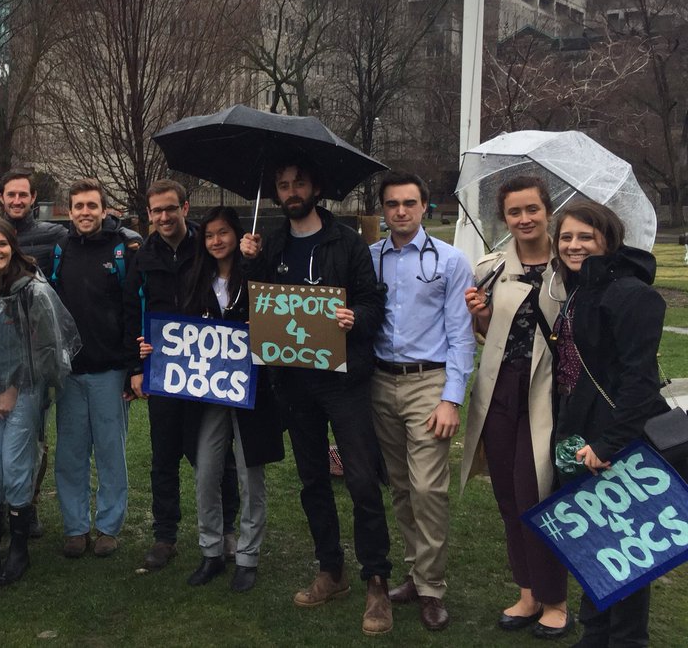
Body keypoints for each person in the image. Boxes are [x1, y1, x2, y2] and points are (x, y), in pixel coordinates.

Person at [239, 159, 392, 636]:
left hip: (342, 380)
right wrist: (251, 261)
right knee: (311, 481)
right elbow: (257, 304)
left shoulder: (346, 241)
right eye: (282, 186)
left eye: (298, 183)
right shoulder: (273, 242)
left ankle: (377, 580)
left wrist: (353, 318)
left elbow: (372, 303)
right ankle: (332, 569)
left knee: (363, 480)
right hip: (294, 381)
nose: (290, 192)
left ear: (315, 187)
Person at [550, 201, 668, 646]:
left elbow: (641, 383)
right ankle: (595, 632)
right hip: (580, 433)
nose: (574, 245)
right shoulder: (581, 289)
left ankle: (625, 639)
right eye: (566, 237)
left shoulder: (631, 294)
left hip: (616, 439)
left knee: (628, 550)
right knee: (596, 543)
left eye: (585, 236)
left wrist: (609, 443)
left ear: (608, 239)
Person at [462, 176, 569, 636]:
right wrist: (480, 315)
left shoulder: (571, 267)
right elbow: (485, 336)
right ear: (504, 218)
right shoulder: (489, 268)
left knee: (538, 494)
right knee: (508, 497)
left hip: (548, 396)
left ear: (547, 211)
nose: (524, 219)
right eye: (514, 212)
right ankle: (527, 594)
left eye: (532, 210)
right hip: (500, 390)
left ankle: (556, 601)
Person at [369, 172, 475, 631]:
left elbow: (461, 335)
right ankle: (415, 571)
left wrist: (452, 398)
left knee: (428, 487)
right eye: (392, 204)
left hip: (428, 384)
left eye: (410, 203)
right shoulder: (369, 259)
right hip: (378, 381)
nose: (401, 211)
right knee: (400, 487)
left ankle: (431, 586)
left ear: (425, 206)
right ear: (383, 209)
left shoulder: (449, 262)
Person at [0, 218, 79, 586]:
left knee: (16, 462)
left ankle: (19, 548)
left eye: (1, 244)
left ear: (13, 247)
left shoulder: (33, 291)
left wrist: (13, 388)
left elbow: (48, 348)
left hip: (25, 388)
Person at [125, 180, 240, 572]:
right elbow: (132, 312)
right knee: (163, 455)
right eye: (155, 211)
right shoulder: (142, 256)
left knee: (212, 455)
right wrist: (136, 366)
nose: (162, 217)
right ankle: (165, 535)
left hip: (207, 370)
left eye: (169, 209)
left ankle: (225, 530)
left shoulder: (205, 247)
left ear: (185, 208)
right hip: (161, 372)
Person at [178, 206, 283, 592]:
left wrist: (255, 263)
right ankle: (211, 550)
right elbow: (182, 326)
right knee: (206, 469)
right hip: (208, 391)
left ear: (237, 235)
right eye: (209, 235)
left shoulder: (254, 270)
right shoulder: (196, 277)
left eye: (223, 233)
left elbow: (275, 309)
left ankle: (248, 556)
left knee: (249, 473)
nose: (216, 241)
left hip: (251, 387)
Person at [51, 178, 140, 559]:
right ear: (69, 212)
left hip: (109, 371)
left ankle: (108, 527)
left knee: (109, 453)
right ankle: (75, 527)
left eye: (91, 206)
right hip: (69, 373)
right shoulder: (61, 248)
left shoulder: (122, 250)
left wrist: (133, 366)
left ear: (104, 210)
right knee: (70, 455)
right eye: (78, 207)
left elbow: (134, 308)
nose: (84, 212)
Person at [0, 170, 66, 537]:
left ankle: (29, 503)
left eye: (24, 195)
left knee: (34, 435)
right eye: (12, 195)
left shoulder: (53, 235)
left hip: (36, 351)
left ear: (33, 198)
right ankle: (2, 502)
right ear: (1, 196)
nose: (18, 201)